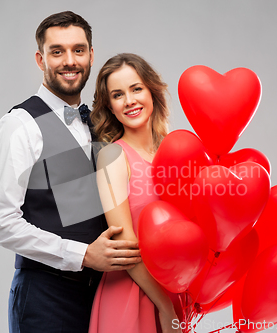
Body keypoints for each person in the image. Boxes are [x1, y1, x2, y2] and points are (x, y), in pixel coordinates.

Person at [0, 12, 142, 333]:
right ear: (41, 59)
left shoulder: (100, 123)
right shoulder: (18, 125)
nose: (70, 61)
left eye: (78, 50)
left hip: (104, 295)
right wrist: (83, 254)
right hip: (46, 296)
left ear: (91, 55)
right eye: (57, 52)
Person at [88, 53, 181, 333]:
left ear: (152, 91)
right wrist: (166, 307)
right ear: (110, 107)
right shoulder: (113, 156)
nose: (129, 101)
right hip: (131, 294)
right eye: (118, 95)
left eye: (136, 88)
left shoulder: (175, 151)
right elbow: (124, 242)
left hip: (175, 293)